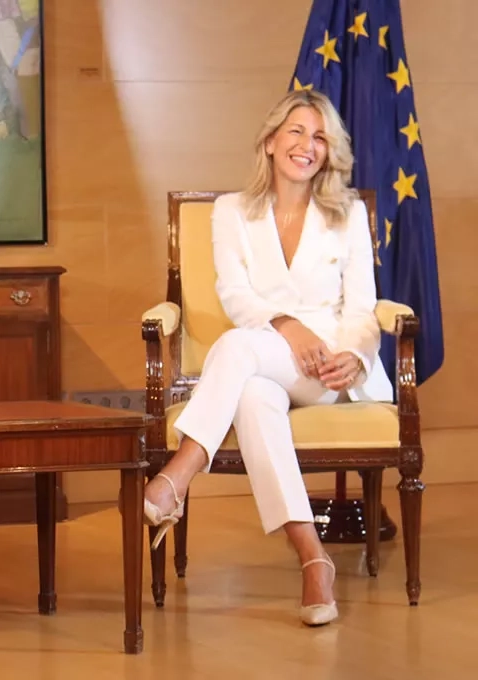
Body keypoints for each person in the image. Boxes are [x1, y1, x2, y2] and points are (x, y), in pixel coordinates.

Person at [143, 89, 394, 627]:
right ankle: (313, 559)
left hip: (327, 367)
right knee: (253, 395)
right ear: (271, 141)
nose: (308, 145)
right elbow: (235, 295)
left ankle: (180, 471)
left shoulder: (347, 213)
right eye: (297, 131)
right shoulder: (232, 212)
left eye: (320, 137)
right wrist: (287, 326)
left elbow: (362, 306)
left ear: (329, 151)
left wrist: (354, 356)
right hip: (266, 355)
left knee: (236, 348)